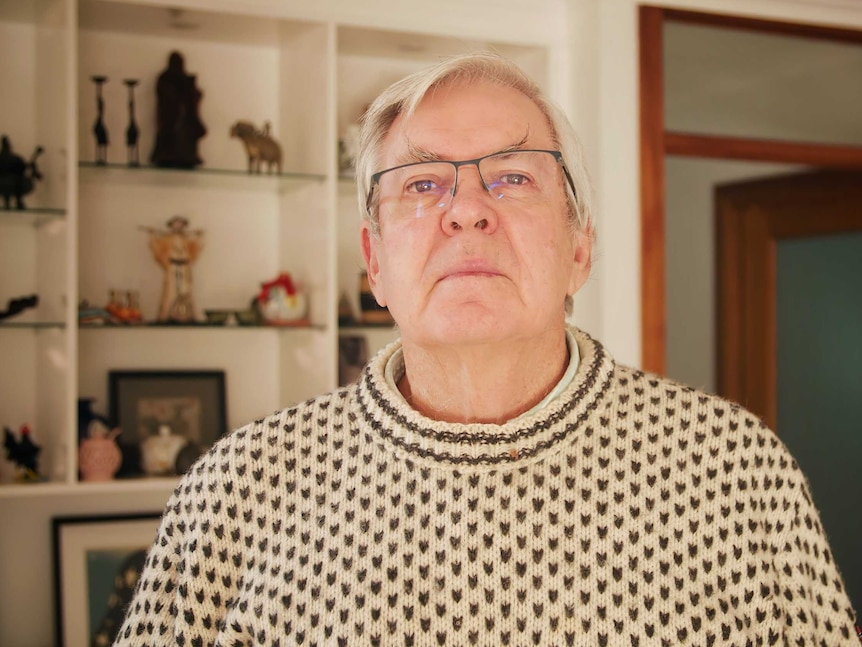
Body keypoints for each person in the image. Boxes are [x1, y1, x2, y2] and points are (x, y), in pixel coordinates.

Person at [113, 53, 858, 646]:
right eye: (422, 183)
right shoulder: (237, 488)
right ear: (374, 261)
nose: (466, 210)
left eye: (511, 176)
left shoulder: (735, 470)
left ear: (579, 248)